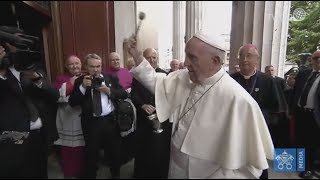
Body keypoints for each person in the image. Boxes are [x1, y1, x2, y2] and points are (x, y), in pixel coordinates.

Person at [126, 30, 274, 178]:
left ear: (215, 61)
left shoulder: (239, 101)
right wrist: (138, 55)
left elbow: (247, 168)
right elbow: (156, 83)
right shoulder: (184, 77)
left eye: (192, 57)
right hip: (175, 168)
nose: (185, 63)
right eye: (186, 55)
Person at [0, 44, 59, 178]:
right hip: (14, 136)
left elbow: (54, 95)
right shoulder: (3, 76)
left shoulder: (33, 70)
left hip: (39, 134)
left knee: (40, 171)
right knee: (18, 171)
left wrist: (36, 79)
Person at [69, 53, 127, 178]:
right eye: (92, 66)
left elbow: (123, 94)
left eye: (98, 66)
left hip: (110, 121)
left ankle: (115, 174)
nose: (95, 69)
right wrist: (83, 87)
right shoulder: (80, 81)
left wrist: (109, 91)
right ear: (86, 66)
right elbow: (72, 103)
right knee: (91, 154)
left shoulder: (110, 78)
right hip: (91, 123)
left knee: (114, 152)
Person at [131, 48, 171, 179]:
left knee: (158, 149)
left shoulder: (164, 74)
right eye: (148, 57)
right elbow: (134, 94)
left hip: (160, 119)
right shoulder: (138, 75)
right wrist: (142, 105)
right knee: (143, 148)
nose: (152, 60)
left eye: (154, 57)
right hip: (143, 118)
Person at [53, 55, 85, 178]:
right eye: (71, 64)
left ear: (81, 64)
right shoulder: (60, 78)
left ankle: (82, 171)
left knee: (82, 147)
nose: (75, 66)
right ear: (66, 66)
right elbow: (55, 96)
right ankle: (70, 172)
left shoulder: (86, 77)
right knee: (68, 148)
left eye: (77, 63)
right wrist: (70, 83)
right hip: (66, 117)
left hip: (82, 117)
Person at [293, 50, 320, 179]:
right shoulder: (304, 74)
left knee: (313, 143)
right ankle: (300, 165)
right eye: (316, 58)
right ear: (311, 60)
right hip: (300, 113)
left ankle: (310, 168)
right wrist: (290, 109)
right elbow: (295, 93)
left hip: (315, 116)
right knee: (300, 141)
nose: (318, 60)